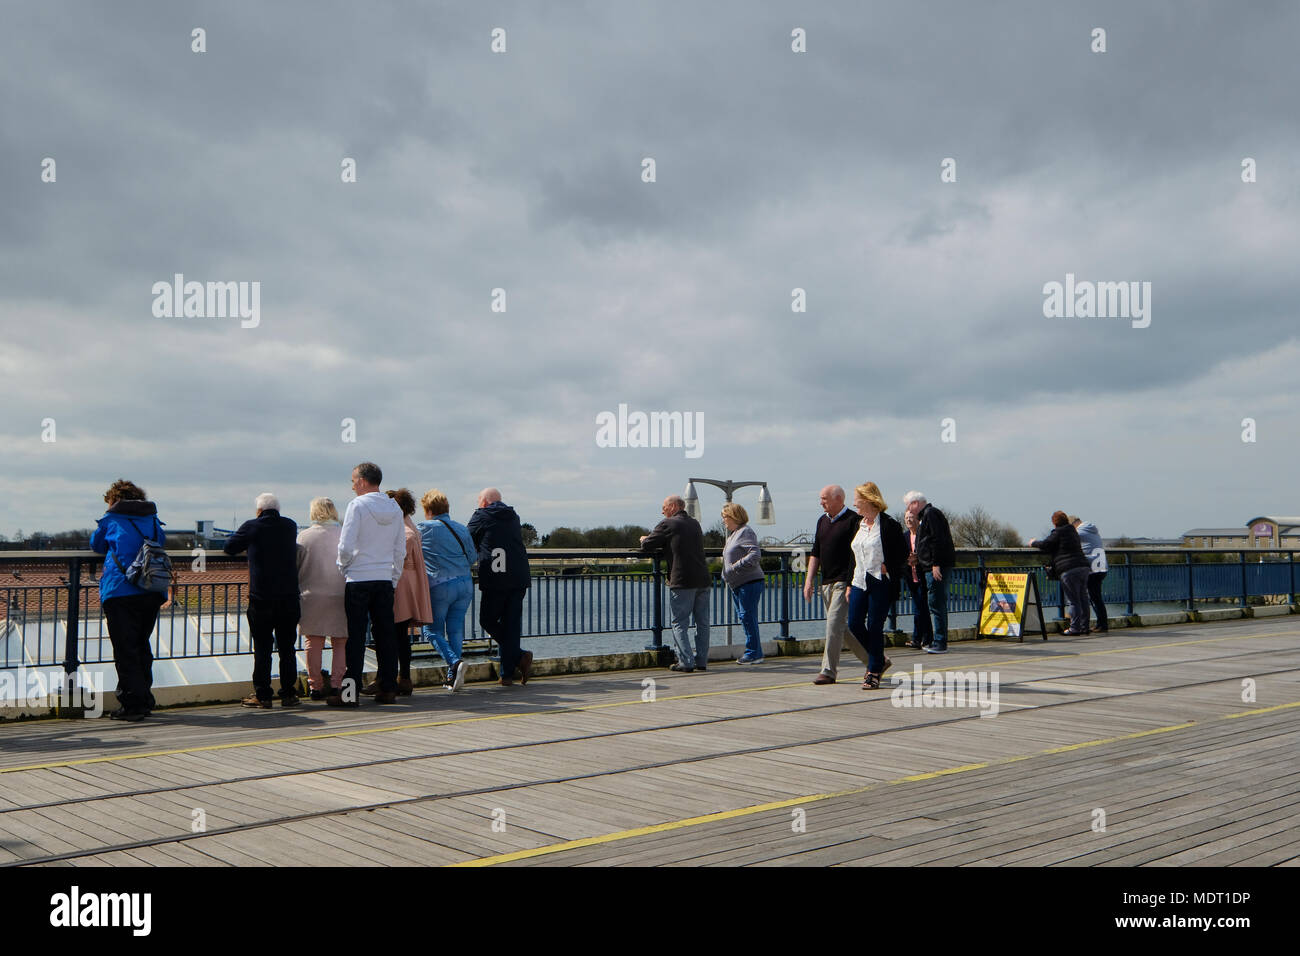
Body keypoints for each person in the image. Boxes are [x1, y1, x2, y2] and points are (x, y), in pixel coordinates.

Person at [90, 479, 169, 721]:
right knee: (142, 645)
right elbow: (161, 542)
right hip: (151, 588)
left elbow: (96, 545)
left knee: (125, 649)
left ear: (114, 499)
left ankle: (132, 705)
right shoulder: (153, 518)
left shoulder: (111, 519)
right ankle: (145, 699)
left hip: (120, 590)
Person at [333, 462, 406, 706]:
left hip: (358, 578)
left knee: (355, 637)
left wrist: (345, 567)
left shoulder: (357, 506)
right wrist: (393, 577)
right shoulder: (395, 508)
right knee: (386, 635)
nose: (352, 485)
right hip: (384, 579)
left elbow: (345, 545)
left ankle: (349, 693)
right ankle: (387, 687)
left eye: (353, 481)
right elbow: (399, 549)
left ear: (363, 481)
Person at [225, 493, 302, 708]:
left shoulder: (252, 526)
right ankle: (288, 693)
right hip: (289, 597)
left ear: (258, 511)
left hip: (262, 598)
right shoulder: (290, 526)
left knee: (262, 647)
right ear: (278, 509)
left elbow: (229, 547)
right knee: (288, 647)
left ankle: (263, 694)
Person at [361, 488, 432, 697]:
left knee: (385, 632)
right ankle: (404, 678)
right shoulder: (411, 528)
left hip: (397, 584)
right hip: (408, 585)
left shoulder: (402, 532)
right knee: (400, 635)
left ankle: (384, 678)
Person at [803, 485, 870, 685]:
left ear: (838, 499)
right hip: (826, 582)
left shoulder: (853, 521)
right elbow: (816, 553)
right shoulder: (822, 521)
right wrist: (809, 581)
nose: (821, 502)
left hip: (844, 581)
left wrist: (850, 583)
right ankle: (875, 660)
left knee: (833, 625)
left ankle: (828, 671)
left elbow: (855, 555)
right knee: (842, 627)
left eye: (824, 498)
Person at [467, 488, 533, 686]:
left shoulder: (481, 515)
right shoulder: (513, 516)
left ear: (485, 503)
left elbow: (467, 539)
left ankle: (519, 656)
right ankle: (506, 674)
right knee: (511, 624)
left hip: (495, 579)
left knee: (487, 620)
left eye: (478, 502)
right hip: (518, 576)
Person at [640, 495, 712, 672]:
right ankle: (701, 660)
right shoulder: (695, 523)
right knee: (702, 622)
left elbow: (648, 544)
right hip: (702, 578)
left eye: (664, 507)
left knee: (679, 623)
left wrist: (643, 539)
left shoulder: (669, 523)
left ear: (672, 507)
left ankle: (685, 662)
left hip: (682, 580)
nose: (662, 511)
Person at [846, 483, 907, 689]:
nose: (854, 503)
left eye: (857, 499)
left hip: (880, 581)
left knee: (874, 626)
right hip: (859, 580)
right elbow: (852, 557)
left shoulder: (889, 525)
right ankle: (879, 658)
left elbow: (902, 554)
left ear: (869, 500)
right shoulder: (858, 524)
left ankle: (873, 671)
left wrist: (887, 566)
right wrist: (848, 584)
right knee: (854, 623)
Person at [416, 489, 476, 692]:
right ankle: (453, 677)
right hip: (465, 583)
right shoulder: (461, 529)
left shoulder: (424, 528)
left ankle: (454, 663)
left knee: (431, 630)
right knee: (455, 629)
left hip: (441, 585)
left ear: (428, 509)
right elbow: (472, 557)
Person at [296, 497, 348, 701]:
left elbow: (297, 565)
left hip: (311, 594)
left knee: (313, 641)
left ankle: (315, 686)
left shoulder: (304, 537)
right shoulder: (343, 534)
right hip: (340, 593)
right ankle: (337, 684)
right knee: (340, 641)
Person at [904, 491, 956, 655]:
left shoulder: (930, 514)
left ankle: (940, 642)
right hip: (928, 565)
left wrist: (935, 564)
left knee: (936, 603)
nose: (908, 510)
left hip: (935, 567)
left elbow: (937, 540)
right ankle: (938, 640)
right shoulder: (928, 515)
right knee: (935, 603)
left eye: (908, 506)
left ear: (915, 503)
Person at [1029, 511, 1092, 635]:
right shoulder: (1073, 531)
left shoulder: (1058, 532)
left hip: (1069, 569)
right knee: (1083, 599)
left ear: (1055, 522)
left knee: (1074, 601)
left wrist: (1033, 542)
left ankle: (1074, 629)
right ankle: (1084, 627)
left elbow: (1046, 544)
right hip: (1083, 567)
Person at [721, 503, 765, 664]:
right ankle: (755, 652)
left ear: (734, 516)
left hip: (749, 582)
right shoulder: (733, 534)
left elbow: (754, 554)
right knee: (745, 617)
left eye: (725, 516)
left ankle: (753, 653)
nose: (723, 520)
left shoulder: (745, 531)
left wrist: (734, 567)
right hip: (738, 584)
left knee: (747, 617)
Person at [1071, 515, 1109, 633]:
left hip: (1093, 567)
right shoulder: (1091, 530)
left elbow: (1067, 538)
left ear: (1073, 524)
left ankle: (1101, 625)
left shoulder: (1080, 530)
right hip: (1101, 566)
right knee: (1096, 597)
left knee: (1093, 597)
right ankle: (1101, 623)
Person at [902, 509, 933, 649]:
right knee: (918, 607)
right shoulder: (904, 536)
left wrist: (918, 559)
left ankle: (923, 638)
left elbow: (929, 553)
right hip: (910, 576)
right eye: (906, 518)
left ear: (918, 519)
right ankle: (920, 638)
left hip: (923, 574)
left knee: (922, 608)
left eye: (911, 517)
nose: (909, 520)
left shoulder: (923, 534)